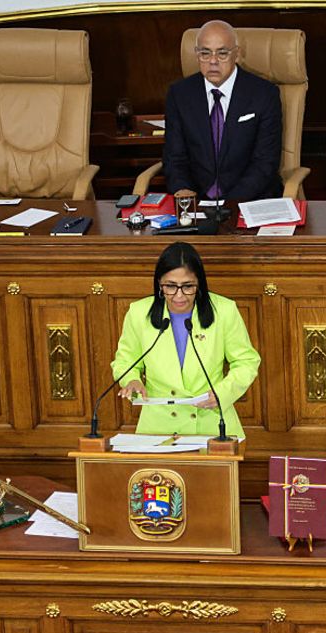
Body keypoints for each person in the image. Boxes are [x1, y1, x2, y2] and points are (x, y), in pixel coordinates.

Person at [113, 241, 260, 437]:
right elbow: (125, 361)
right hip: (159, 426)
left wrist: (223, 393)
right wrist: (132, 380)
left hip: (211, 422)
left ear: (199, 284)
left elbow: (246, 361)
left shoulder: (224, 310)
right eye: (170, 286)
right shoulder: (139, 313)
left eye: (188, 286)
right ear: (159, 283)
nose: (179, 296)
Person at [162, 20, 282, 202]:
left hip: (249, 199)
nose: (213, 61)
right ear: (196, 55)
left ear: (237, 54)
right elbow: (174, 158)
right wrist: (183, 191)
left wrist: (227, 205)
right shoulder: (179, 94)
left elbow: (265, 163)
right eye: (205, 53)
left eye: (222, 53)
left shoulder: (264, 94)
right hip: (197, 201)